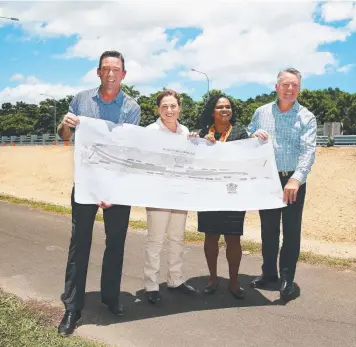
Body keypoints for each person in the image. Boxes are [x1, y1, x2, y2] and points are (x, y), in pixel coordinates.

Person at [57, 50, 141, 336]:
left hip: (117, 185)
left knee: (115, 244)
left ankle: (110, 297)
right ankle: (72, 307)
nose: (110, 73)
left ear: (123, 74)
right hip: (86, 183)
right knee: (79, 244)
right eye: (105, 68)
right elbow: (63, 136)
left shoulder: (131, 107)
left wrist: (112, 189)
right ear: (98, 72)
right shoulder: (81, 100)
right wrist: (65, 126)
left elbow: (127, 150)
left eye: (115, 69)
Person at [248, 68, 317, 302]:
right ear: (276, 86)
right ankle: (268, 274)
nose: (290, 89)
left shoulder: (306, 117)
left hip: (293, 182)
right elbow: (248, 134)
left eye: (294, 85)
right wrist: (253, 134)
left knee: (291, 231)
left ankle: (287, 279)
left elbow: (308, 151)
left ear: (299, 89)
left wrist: (296, 179)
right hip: (267, 179)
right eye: (285, 84)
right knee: (268, 230)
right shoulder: (261, 112)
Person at [143, 89, 197, 304]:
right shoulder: (149, 131)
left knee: (177, 238)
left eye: (173, 106)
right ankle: (151, 285)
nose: (169, 110)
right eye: (164, 106)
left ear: (179, 108)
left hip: (179, 193)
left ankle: (175, 279)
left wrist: (195, 144)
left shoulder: (185, 131)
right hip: (158, 192)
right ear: (158, 109)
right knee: (155, 239)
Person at [197, 93, 250, 299]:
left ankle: (234, 281)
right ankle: (212, 278)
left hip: (232, 195)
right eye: (220, 107)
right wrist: (200, 144)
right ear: (212, 111)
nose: (225, 110)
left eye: (228, 106)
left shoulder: (240, 134)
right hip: (208, 194)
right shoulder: (203, 134)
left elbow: (248, 159)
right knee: (210, 236)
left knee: (233, 239)